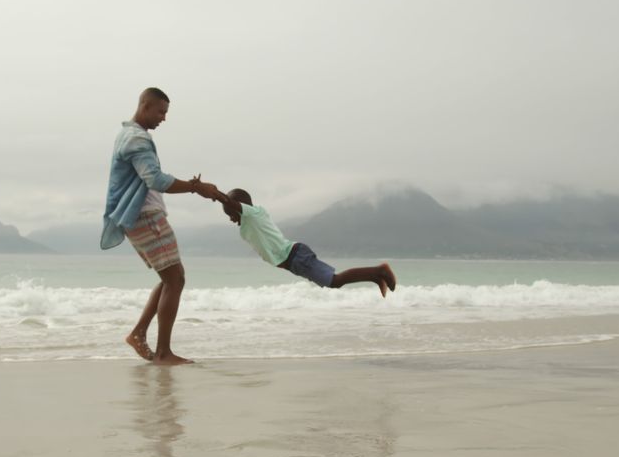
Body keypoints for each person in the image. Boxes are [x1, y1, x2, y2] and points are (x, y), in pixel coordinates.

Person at [101, 88, 225, 365]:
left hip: (141, 215)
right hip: (144, 215)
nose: (164, 118)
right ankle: (163, 353)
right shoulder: (136, 139)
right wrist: (196, 187)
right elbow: (155, 179)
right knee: (175, 279)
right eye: (161, 111)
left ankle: (138, 334)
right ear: (144, 106)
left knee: (170, 278)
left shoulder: (129, 135)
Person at [218, 188, 397, 296]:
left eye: (231, 214)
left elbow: (231, 203)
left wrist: (211, 192)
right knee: (334, 282)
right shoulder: (247, 224)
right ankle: (375, 277)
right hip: (294, 261)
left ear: (240, 208)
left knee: (335, 281)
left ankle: (380, 270)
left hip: (296, 257)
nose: (231, 218)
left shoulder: (254, 214)